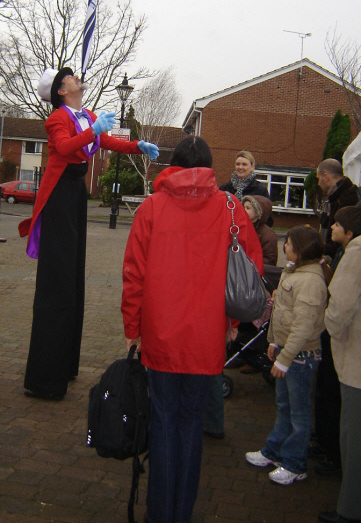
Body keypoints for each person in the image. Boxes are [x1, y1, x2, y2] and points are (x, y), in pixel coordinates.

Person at [121, 136, 263, 523]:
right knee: (190, 425)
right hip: (207, 337)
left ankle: (159, 512)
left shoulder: (152, 207)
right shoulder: (230, 206)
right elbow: (249, 270)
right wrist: (232, 321)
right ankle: (180, 512)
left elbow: (134, 272)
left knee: (164, 422)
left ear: (174, 166)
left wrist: (132, 326)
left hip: (162, 334)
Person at [19, 67, 159, 401]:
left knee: (73, 280)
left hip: (76, 196)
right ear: (61, 90)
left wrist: (137, 144)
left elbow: (105, 140)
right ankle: (44, 377)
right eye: (70, 77)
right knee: (58, 281)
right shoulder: (57, 119)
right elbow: (65, 147)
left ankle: (64, 366)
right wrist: (92, 130)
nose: (76, 79)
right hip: (58, 198)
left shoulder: (86, 115)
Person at [245, 226, 327, 485]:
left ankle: (294, 463)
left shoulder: (311, 282)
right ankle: (274, 451)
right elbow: (282, 315)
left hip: (300, 356)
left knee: (299, 412)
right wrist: (273, 343)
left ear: (301, 249)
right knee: (284, 406)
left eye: (288, 243)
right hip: (287, 350)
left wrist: (285, 356)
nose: (284, 246)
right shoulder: (294, 272)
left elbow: (303, 326)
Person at [318, 213, 361, 523]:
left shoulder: (357, 251)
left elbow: (340, 305)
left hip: (356, 358)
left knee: (353, 436)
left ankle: (349, 509)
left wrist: (330, 327)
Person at [316, 158, 359, 258]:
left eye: (318, 179)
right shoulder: (334, 197)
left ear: (326, 177)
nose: (318, 183)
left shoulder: (347, 199)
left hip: (340, 258)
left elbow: (343, 237)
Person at [241, 194, 278, 265]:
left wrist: (249, 265)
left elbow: (269, 260)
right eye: (243, 207)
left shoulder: (267, 234)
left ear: (257, 213)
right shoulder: (239, 227)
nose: (243, 210)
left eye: (248, 208)